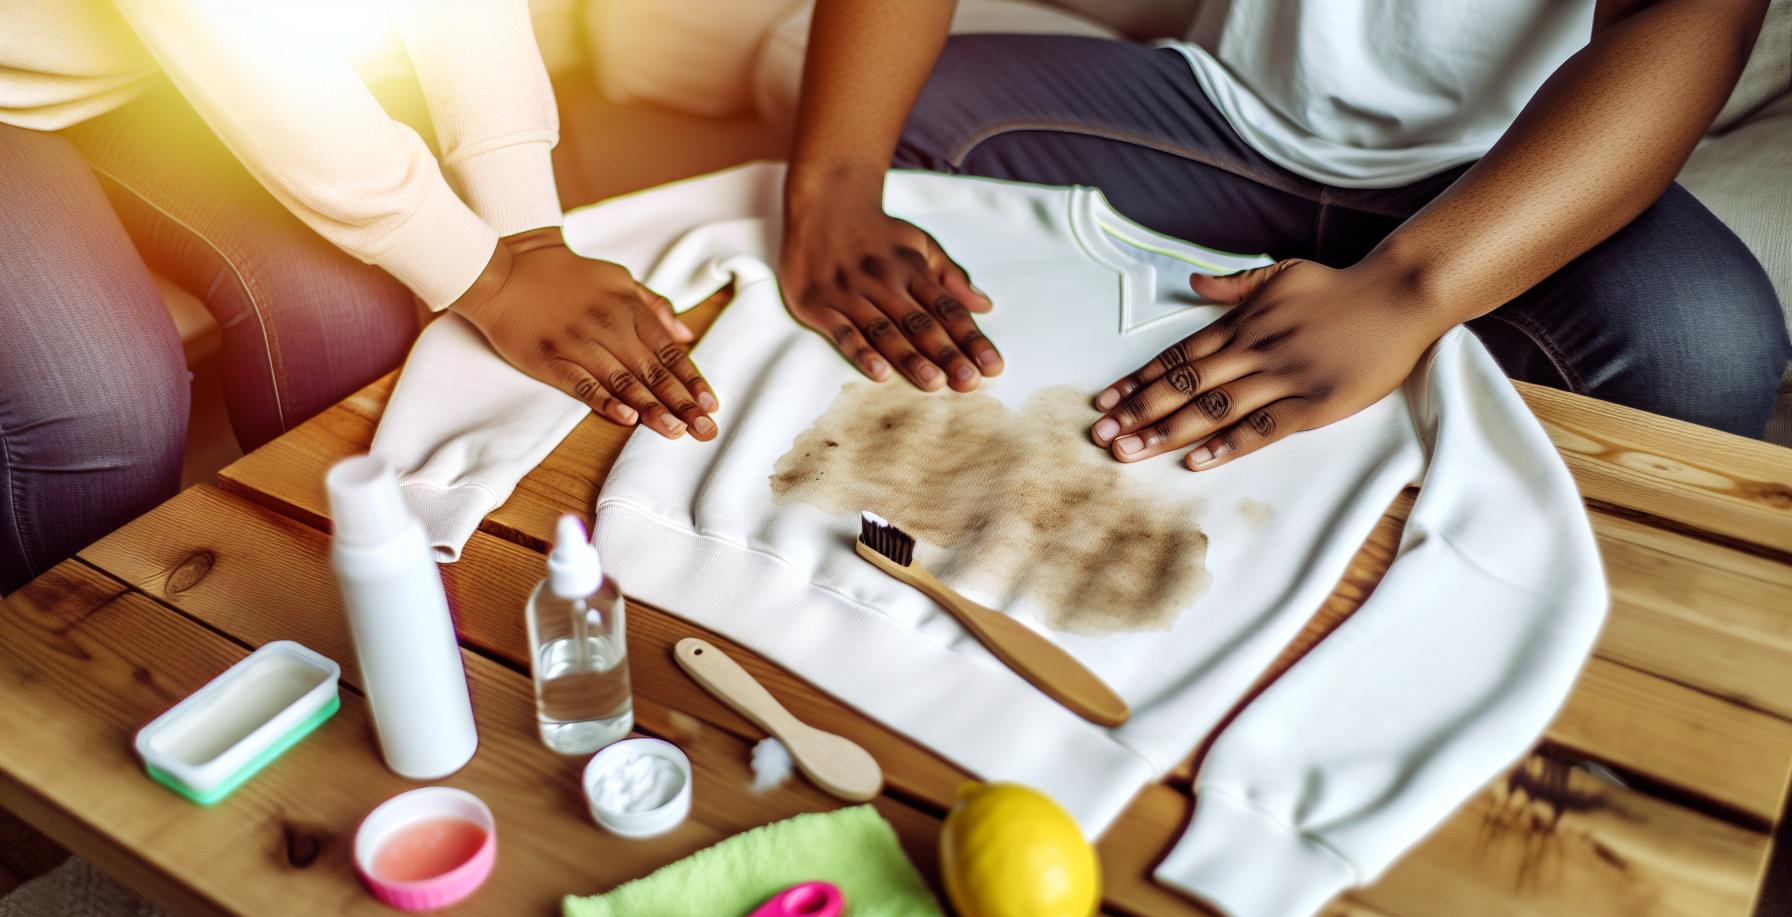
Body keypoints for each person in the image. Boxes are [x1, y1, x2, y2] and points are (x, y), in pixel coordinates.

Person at [776, 0, 1790, 471]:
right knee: (892, 128)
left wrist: (1408, 291)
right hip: (1225, 118)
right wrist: (832, 182)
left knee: (1707, 344)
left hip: (1505, 177)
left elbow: (1696, 14)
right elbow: (848, 158)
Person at [0, 0, 716, 594]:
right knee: (100, 405)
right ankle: (75, 664)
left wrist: (526, 232)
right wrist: (490, 278)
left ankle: (336, 600)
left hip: (146, 69)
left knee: (345, 319)